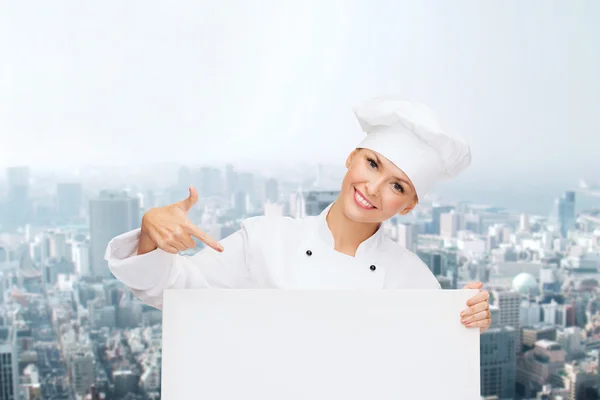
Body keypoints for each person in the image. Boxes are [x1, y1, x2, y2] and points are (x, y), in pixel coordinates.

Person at [105, 95, 492, 334]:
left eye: (397, 185)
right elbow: (171, 291)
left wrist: (467, 321)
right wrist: (150, 233)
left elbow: (429, 368)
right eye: (372, 164)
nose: (373, 188)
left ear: (408, 205)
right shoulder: (264, 240)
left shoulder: (414, 280)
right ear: (351, 158)